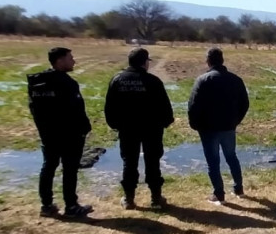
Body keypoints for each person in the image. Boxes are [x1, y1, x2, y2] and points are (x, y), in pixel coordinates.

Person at [27, 47, 94, 218]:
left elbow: (34, 109)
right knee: (69, 170)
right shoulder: (67, 83)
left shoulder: (37, 82)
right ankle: (71, 206)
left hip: (47, 134)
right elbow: (76, 111)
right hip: (69, 135)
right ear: (60, 60)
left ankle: (46, 205)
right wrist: (84, 129)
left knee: (48, 167)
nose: (73, 61)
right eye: (70, 58)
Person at [104, 47, 174, 209]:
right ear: (144, 63)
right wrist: (165, 122)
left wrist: (115, 125)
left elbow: (110, 107)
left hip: (127, 129)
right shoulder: (153, 81)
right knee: (153, 163)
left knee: (129, 163)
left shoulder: (117, 80)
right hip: (152, 130)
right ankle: (156, 199)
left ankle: (129, 200)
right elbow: (165, 107)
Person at [188, 47, 249, 205]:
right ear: (222, 60)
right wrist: (235, 120)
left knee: (213, 162)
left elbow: (193, 105)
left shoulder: (203, 80)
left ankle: (219, 194)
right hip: (228, 127)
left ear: (208, 61)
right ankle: (239, 189)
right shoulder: (236, 79)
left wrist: (195, 124)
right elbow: (245, 104)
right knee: (231, 157)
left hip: (208, 129)